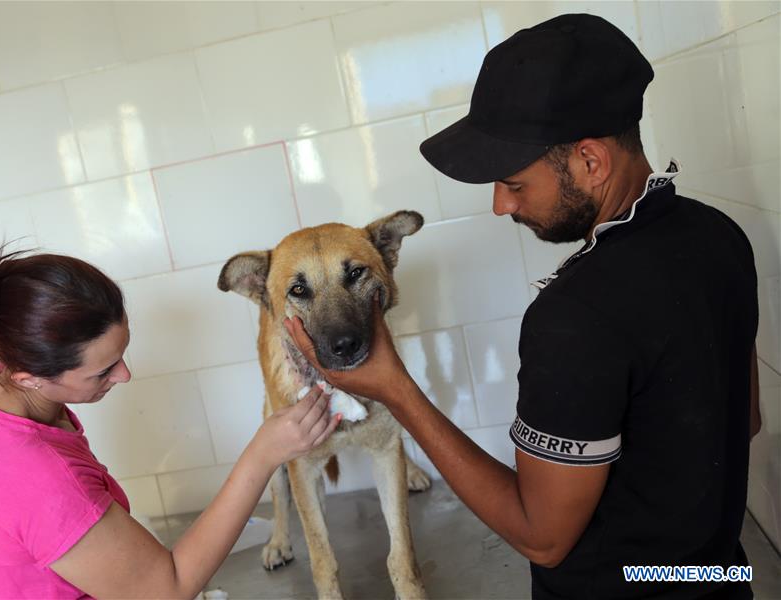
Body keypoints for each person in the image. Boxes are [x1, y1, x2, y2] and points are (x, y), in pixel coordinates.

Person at [285, 13, 761, 600]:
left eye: (513, 182)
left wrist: (397, 391)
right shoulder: (719, 236)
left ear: (591, 162)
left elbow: (542, 538)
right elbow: (745, 422)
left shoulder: (578, 315)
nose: (500, 206)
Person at [0, 242, 340, 599]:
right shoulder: (39, 479)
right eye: (103, 371)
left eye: (121, 354)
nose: (124, 375)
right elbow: (166, 589)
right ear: (30, 377)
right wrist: (264, 453)